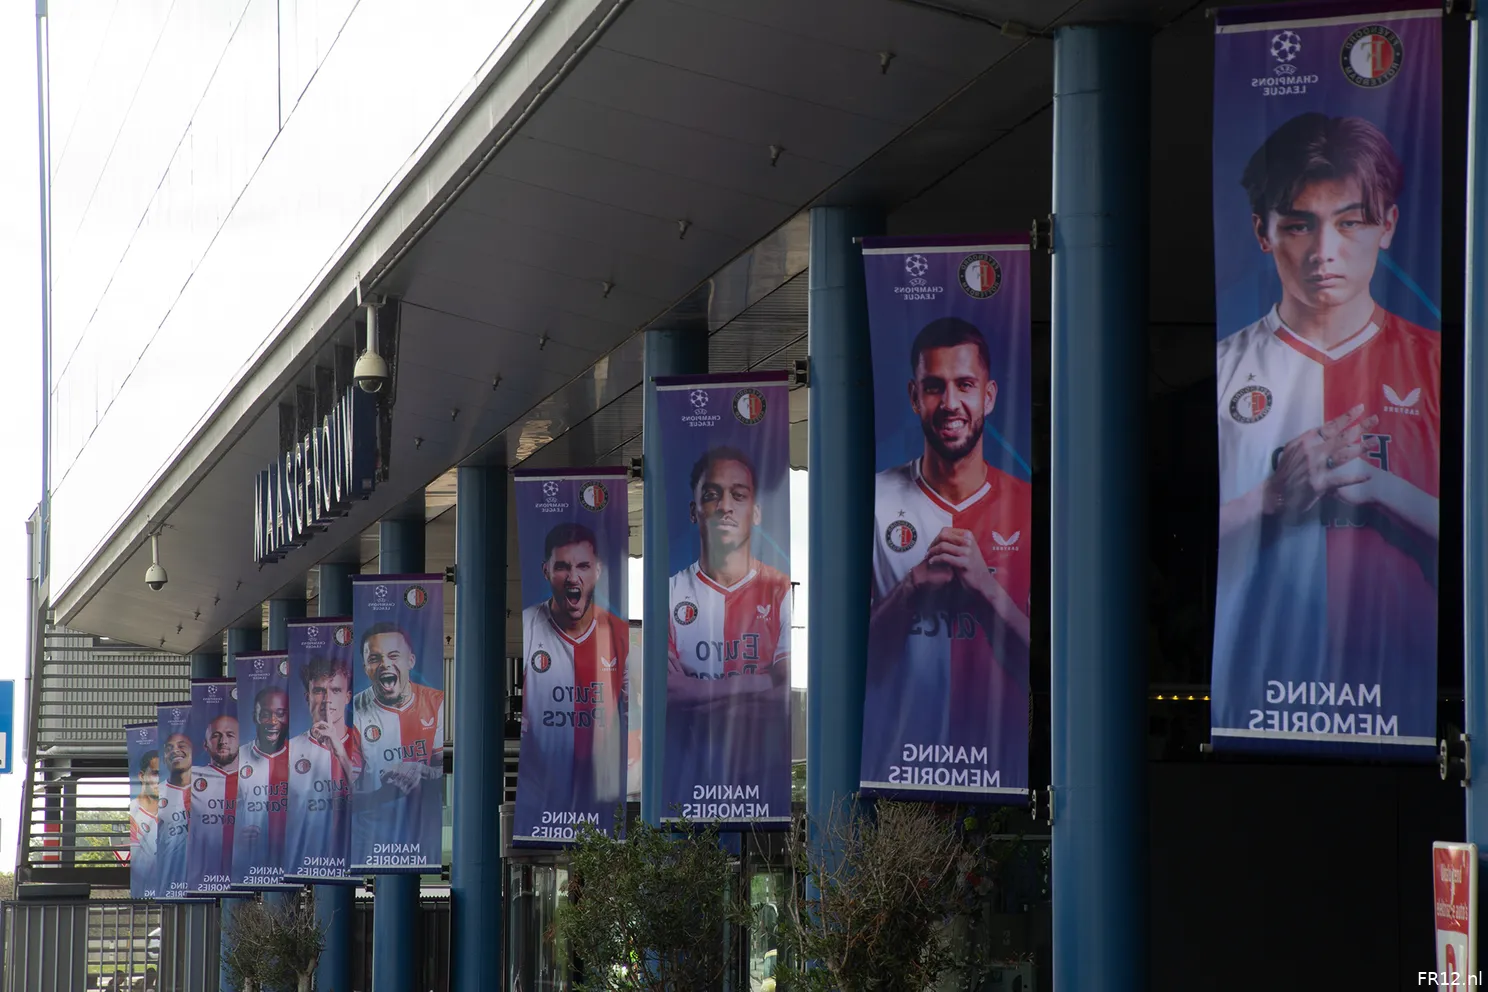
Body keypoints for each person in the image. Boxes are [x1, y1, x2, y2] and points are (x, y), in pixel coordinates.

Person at [1214, 112, 1439, 728]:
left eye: (1351, 223)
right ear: (1263, 233)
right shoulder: (1224, 372)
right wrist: (1272, 497)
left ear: (1388, 226)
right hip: (1261, 701)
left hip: (1411, 701)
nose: (1324, 254)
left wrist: (1386, 489)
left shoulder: (1445, 367)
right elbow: (1162, 541)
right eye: (1298, 226)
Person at [865, 316, 1032, 781]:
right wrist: (912, 586)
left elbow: (1054, 663)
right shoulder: (875, 500)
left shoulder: (1030, 505)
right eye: (935, 386)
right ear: (915, 396)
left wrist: (984, 586)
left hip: (997, 769)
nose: (951, 403)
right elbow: (853, 658)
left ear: (990, 395)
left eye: (965, 384)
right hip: (897, 768)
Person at [666, 446, 791, 800]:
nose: (725, 506)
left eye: (739, 495)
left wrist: (695, 692)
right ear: (694, 511)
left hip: (761, 783)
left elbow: (785, 693)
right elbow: (669, 693)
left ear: (756, 512)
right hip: (687, 785)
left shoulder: (779, 590)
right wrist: (763, 680)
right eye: (712, 495)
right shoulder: (670, 594)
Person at [519, 523, 629, 827]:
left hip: (600, 798)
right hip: (541, 798)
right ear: (545, 571)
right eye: (562, 566)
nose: (573, 577)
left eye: (583, 565)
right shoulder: (528, 626)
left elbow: (635, 717)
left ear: (599, 571)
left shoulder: (619, 635)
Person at [352, 623, 444, 864]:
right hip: (371, 843)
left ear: (410, 661)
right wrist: (383, 793)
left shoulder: (437, 703)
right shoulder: (352, 712)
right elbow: (340, 793)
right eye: (375, 658)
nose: (385, 664)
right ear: (365, 667)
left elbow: (447, 770)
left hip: (423, 837)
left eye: (394, 655)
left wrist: (423, 771)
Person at [285, 655, 363, 876]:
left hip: (355, 856)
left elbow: (370, 796)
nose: (327, 699)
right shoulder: (290, 751)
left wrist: (338, 749)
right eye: (319, 691)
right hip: (307, 860)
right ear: (307, 697)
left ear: (347, 697)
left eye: (335, 690)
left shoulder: (367, 744)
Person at [235, 686, 290, 884]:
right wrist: (236, 836)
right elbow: (220, 813)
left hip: (293, 858)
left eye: (280, 714)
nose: (273, 721)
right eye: (265, 714)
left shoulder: (303, 755)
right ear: (254, 717)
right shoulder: (237, 759)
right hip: (249, 862)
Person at [187, 712, 239, 890]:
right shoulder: (190, 779)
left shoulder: (257, 778)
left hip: (246, 869)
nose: (223, 741)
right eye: (216, 736)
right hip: (204, 873)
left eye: (230, 735)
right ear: (205, 745)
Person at [156, 727, 192, 897]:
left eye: (181, 745)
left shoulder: (212, 787)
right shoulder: (154, 794)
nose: (175, 750)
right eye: (169, 748)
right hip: (171, 879)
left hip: (208, 878)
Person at [128, 749, 159, 895]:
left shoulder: (176, 811)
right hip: (146, 890)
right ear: (141, 776)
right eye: (156, 773)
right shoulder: (133, 813)